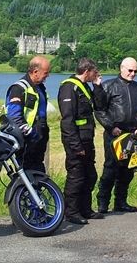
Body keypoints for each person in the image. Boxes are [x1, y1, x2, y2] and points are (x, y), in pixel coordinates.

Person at [95, 57, 137, 214]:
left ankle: (121, 202)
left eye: (135, 71)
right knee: (110, 169)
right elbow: (99, 110)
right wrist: (111, 127)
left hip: (134, 135)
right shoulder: (108, 86)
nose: (133, 74)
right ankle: (102, 203)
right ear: (121, 68)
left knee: (127, 170)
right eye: (130, 70)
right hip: (114, 134)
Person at [58, 58, 105, 225]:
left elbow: (99, 105)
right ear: (87, 72)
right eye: (95, 72)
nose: (97, 74)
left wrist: (98, 86)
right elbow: (67, 120)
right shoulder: (69, 88)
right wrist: (75, 145)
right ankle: (71, 212)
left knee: (90, 175)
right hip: (75, 140)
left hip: (87, 138)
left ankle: (85, 209)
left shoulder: (85, 86)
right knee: (76, 176)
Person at [6, 55, 51, 172]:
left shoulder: (40, 88)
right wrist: (31, 134)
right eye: (46, 73)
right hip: (26, 142)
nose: (48, 76)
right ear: (35, 72)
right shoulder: (18, 88)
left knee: (39, 174)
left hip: (39, 142)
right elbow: (14, 117)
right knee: (25, 176)